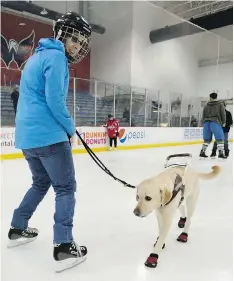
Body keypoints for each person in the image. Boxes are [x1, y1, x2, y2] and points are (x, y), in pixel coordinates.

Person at [7, 12, 91, 272]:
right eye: (74, 39)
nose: (76, 46)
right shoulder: (56, 58)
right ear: (62, 34)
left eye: (80, 42)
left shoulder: (36, 57)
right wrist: (70, 129)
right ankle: (64, 245)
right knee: (65, 187)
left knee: (41, 182)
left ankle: (18, 227)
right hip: (50, 137)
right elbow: (55, 101)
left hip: (28, 138)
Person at [199, 92, 226, 159]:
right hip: (215, 122)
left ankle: (202, 152)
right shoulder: (220, 104)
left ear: (210, 97)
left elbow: (203, 115)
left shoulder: (206, 105)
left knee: (207, 139)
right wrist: (223, 122)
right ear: (216, 97)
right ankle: (220, 153)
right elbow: (223, 114)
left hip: (206, 123)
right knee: (219, 139)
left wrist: (203, 123)